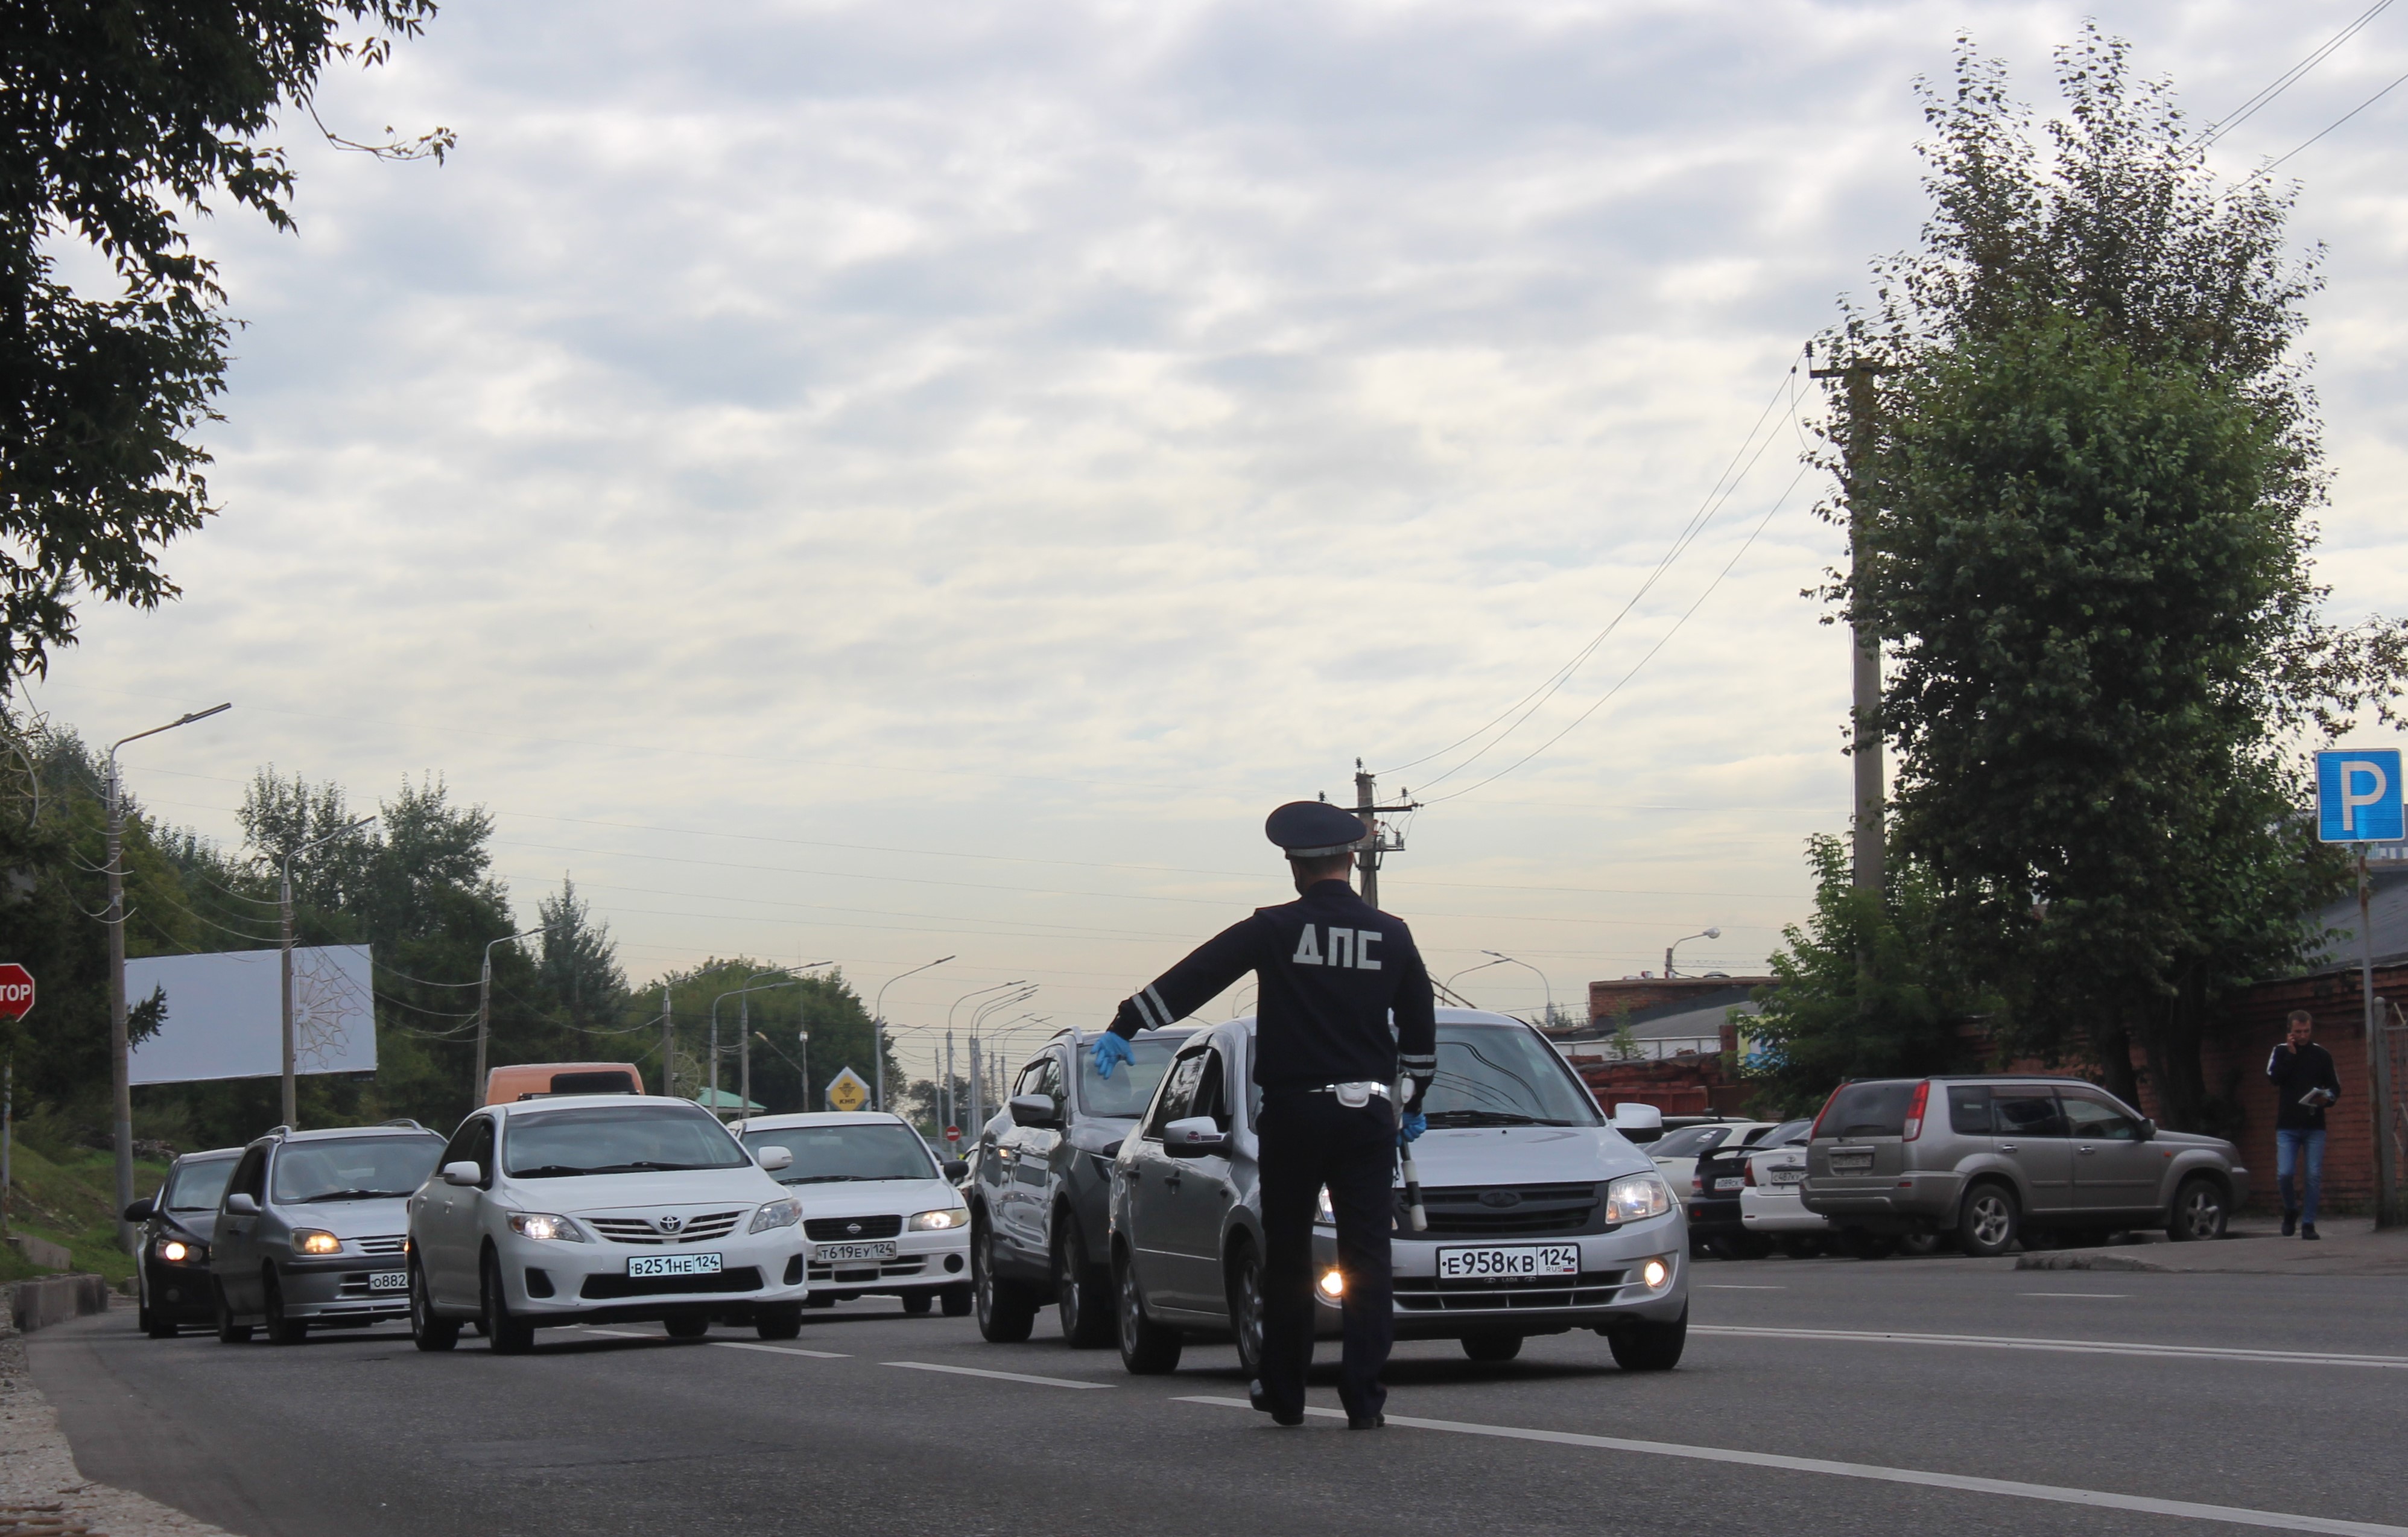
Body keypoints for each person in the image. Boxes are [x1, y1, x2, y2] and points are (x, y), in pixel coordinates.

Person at [1094, 799, 1436, 1429]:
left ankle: (1284, 1391)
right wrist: (1412, 1101)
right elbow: (1418, 1030)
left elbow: (1196, 976)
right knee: (1368, 1257)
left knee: (1286, 1255)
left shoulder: (1274, 929)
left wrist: (1126, 1024)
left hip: (1295, 1112)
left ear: (1294, 867)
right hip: (1367, 1117)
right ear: (1350, 860)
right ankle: (1364, 1398)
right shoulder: (1392, 933)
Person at [2266, 1009, 2341, 1240]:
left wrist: (2326, 1098)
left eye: (2306, 1031)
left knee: (2313, 1174)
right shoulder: (2280, 1051)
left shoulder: (2322, 1054)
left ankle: (2309, 1223)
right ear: (2290, 1031)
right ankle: (2291, 1210)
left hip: (2314, 1124)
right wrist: (2290, 1055)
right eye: (2298, 1032)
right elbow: (2274, 1078)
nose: (2303, 1036)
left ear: (2311, 1029)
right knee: (2285, 1173)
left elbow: (2335, 1087)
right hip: (2287, 1125)